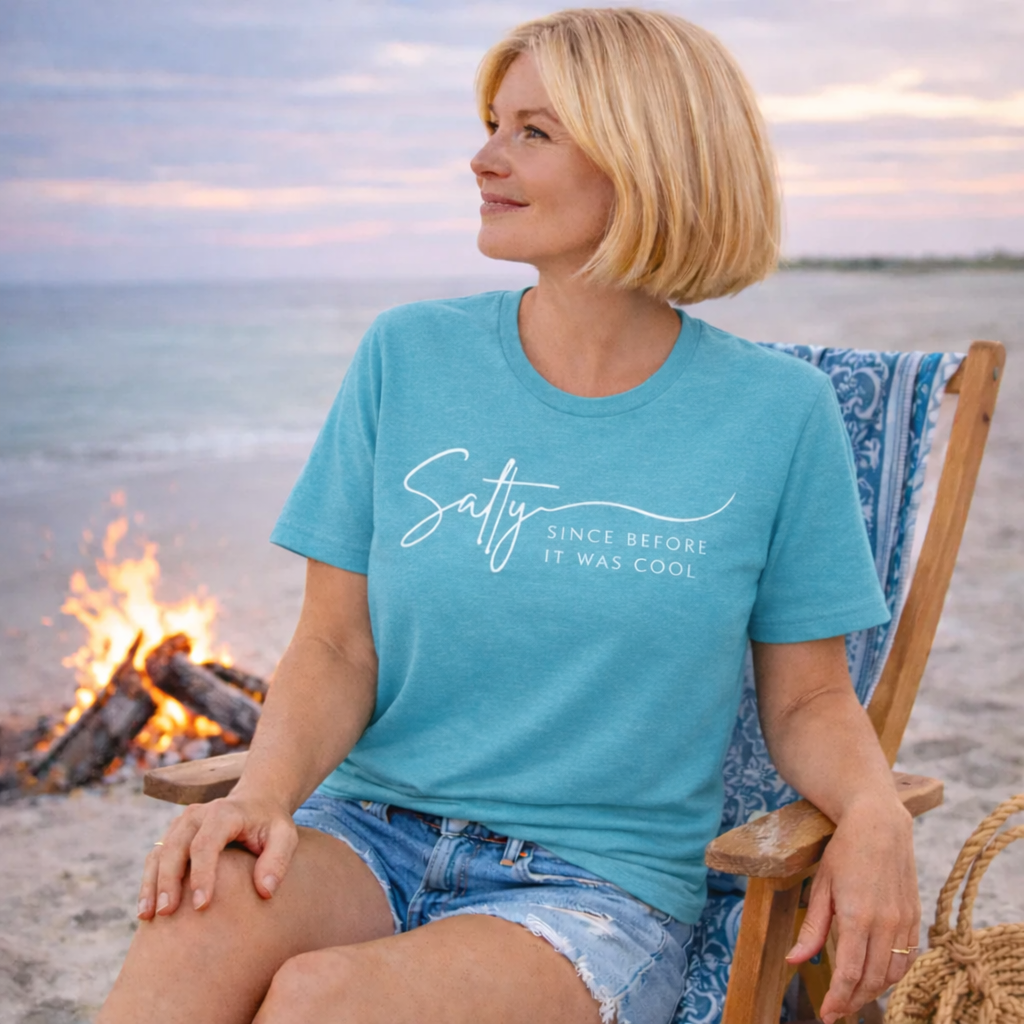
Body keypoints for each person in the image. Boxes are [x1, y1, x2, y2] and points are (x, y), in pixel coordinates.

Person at [99, 9, 920, 1024]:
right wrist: (259, 796)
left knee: (327, 999)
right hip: (363, 830)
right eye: (492, 124)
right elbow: (335, 642)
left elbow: (804, 701)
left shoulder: (777, 415)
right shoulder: (406, 356)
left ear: (648, 158)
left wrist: (874, 810)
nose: (483, 158)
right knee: (196, 912)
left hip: (592, 888)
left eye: (533, 131)